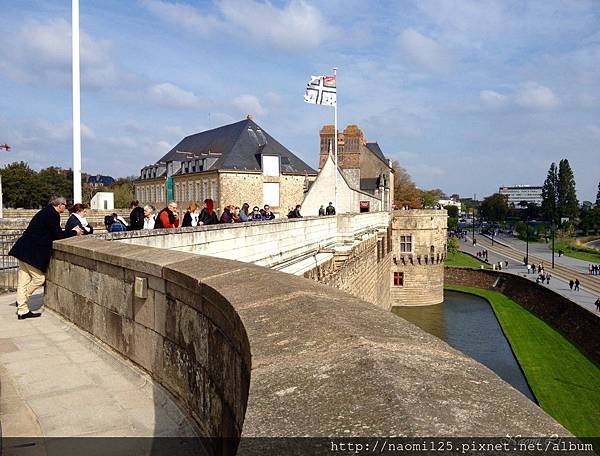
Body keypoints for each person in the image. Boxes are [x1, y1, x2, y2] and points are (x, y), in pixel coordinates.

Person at [9, 195, 83, 320]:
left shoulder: (45, 211)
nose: (65, 208)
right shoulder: (52, 214)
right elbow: (59, 235)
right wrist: (75, 232)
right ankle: (22, 301)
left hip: (23, 249)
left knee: (23, 280)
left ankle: (22, 309)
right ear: (60, 205)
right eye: (65, 205)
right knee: (39, 279)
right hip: (31, 252)